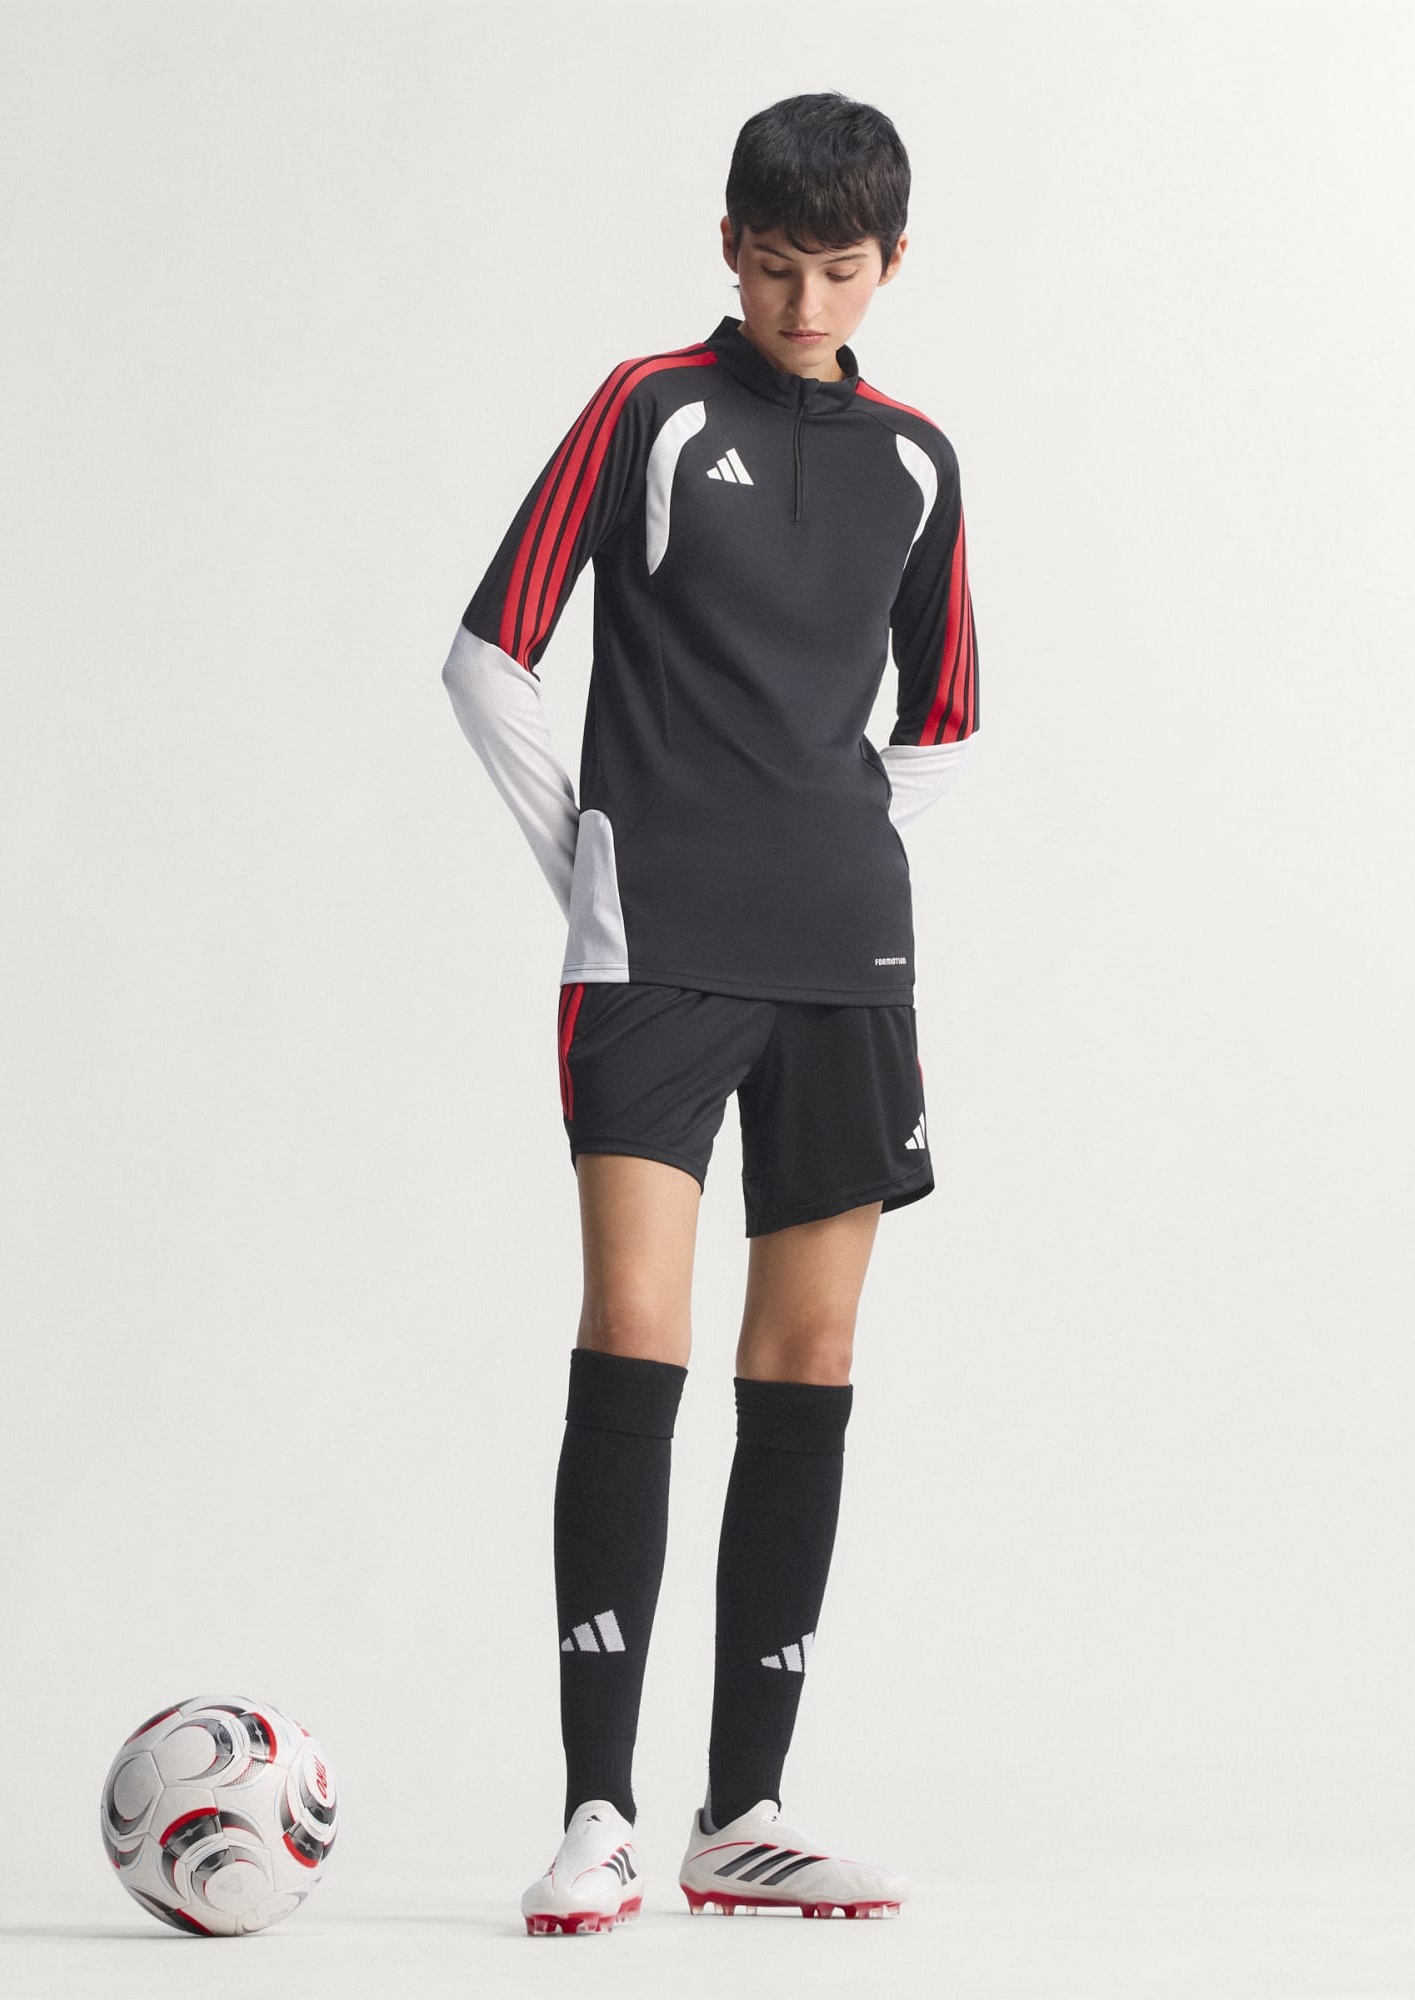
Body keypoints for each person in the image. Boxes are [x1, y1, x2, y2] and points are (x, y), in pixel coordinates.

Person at [440, 91, 981, 1934]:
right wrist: (598, 871)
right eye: (773, 266)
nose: (803, 303)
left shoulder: (919, 462)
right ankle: (597, 1809)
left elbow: (941, 726)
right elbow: (488, 656)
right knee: (634, 1331)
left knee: (808, 1362)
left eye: (840, 272)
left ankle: (742, 1813)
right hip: (655, 957)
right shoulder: (648, 409)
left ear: (888, 265)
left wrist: (833, 864)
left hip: (846, 966)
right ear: (727, 245)